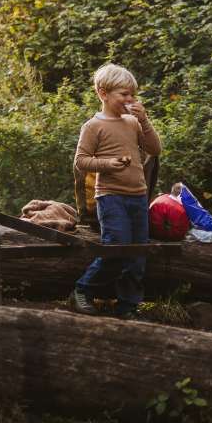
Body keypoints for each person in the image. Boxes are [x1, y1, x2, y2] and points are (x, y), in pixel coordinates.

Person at [70, 63, 163, 319]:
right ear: (103, 93)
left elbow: (155, 149)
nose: (130, 99)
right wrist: (107, 164)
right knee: (117, 247)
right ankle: (83, 289)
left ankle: (127, 306)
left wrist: (144, 119)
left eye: (132, 95)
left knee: (137, 255)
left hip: (138, 196)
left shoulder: (134, 123)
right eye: (124, 94)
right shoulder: (93, 126)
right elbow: (81, 161)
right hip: (110, 196)